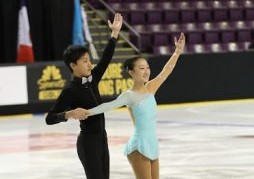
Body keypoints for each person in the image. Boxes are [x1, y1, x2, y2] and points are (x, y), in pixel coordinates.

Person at [84, 32, 185, 179]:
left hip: (152, 144)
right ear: (131, 72)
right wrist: (87, 112)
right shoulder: (128, 96)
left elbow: (166, 71)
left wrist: (177, 51)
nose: (146, 71)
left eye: (147, 67)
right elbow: (107, 106)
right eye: (142, 68)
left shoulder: (151, 88)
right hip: (139, 146)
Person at [45, 13, 123, 179]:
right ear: (73, 65)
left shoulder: (93, 79)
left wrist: (114, 34)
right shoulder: (70, 91)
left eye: (89, 60)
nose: (90, 64)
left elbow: (105, 60)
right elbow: (49, 118)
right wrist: (69, 114)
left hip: (103, 139)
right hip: (88, 143)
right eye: (85, 61)